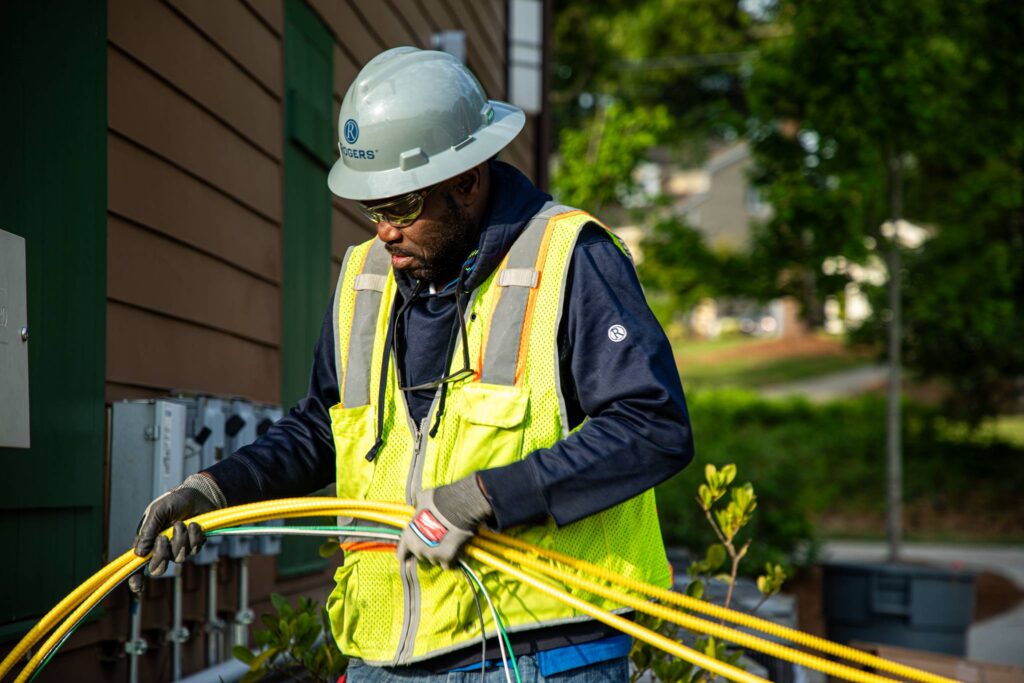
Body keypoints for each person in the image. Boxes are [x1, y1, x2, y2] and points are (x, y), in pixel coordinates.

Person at [131, 47, 694, 682]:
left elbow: (652, 426)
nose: (384, 232)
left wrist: (488, 496)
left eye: (401, 207)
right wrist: (213, 491)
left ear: (466, 181)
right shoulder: (365, 279)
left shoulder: (570, 258)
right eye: (373, 209)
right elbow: (323, 425)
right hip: (386, 656)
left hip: (538, 651)